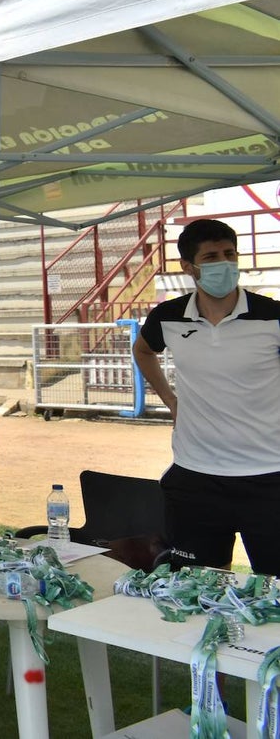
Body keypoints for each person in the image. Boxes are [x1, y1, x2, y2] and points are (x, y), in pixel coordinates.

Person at [132, 218, 280, 575]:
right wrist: (170, 400)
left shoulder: (273, 317)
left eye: (230, 254)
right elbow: (143, 351)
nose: (225, 264)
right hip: (196, 477)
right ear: (188, 267)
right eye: (212, 256)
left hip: (269, 476)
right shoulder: (168, 317)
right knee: (202, 586)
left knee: (273, 589)